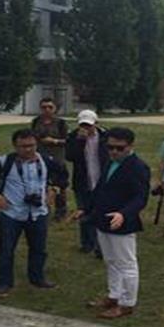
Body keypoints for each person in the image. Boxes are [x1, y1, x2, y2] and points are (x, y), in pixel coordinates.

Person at [0, 129, 69, 297]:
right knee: (6, 249)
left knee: (39, 249)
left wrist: (54, 189)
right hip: (12, 213)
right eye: (23, 146)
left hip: (38, 212)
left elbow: (63, 174)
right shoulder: (5, 162)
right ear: (15, 146)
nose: (28, 150)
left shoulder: (46, 160)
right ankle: (4, 282)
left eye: (32, 145)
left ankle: (37, 278)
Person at [74, 127, 150, 319]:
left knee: (126, 264)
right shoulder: (110, 162)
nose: (114, 151)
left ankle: (127, 303)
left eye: (119, 148)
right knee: (111, 261)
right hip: (103, 219)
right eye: (110, 147)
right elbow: (100, 189)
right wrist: (86, 208)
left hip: (122, 223)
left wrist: (124, 214)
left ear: (130, 146)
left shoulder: (138, 167)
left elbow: (140, 198)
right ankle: (114, 295)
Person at [65, 109, 109, 258]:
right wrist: (80, 141)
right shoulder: (73, 137)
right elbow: (70, 156)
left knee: (101, 213)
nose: (86, 128)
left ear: (96, 123)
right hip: (83, 182)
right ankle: (87, 244)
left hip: (101, 180)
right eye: (83, 125)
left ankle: (101, 247)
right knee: (84, 213)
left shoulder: (105, 136)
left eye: (89, 125)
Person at [31, 97, 69, 221]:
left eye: (50, 107)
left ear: (55, 109)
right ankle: (43, 209)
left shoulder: (61, 123)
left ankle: (61, 210)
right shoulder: (36, 122)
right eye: (44, 107)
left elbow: (68, 141)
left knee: (60, 186)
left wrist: (55, 141)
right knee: (42, 185)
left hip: (58, 159)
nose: (47, 110)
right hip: (40, 159)